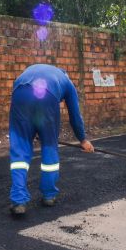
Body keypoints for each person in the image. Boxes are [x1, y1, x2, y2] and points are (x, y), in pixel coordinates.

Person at [8, 64, 94, 215]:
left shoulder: (32, 70)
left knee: (20, 149)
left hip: (19, 92)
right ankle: (48, 196)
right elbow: (75, 115)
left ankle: (18, 201)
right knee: (49, 145)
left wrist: (31, 128)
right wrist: (83, 139)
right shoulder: (66, 82)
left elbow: (27, 103)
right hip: (47, 96)